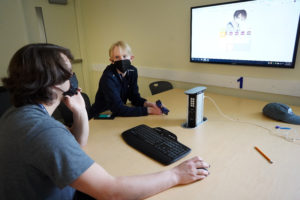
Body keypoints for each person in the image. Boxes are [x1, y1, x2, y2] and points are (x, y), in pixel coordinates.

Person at [0, 43, 210, 199]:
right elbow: (111, 192)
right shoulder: (44, 131)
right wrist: (175, 175)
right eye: (69, 71)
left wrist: (81, 112)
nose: (73, 75)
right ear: (53, 82)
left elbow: (76, 144)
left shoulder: (17, 114)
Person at [89, 41, 162, 118]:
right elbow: (118, 108)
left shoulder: (132, 71)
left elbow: (134, 97)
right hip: (100, 115)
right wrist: (149, 110)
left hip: (116, 113)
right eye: (117, 57)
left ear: (131, 58)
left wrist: (149, 104)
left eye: (124, 56)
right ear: (112, 61)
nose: (121, 60)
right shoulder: (108, 77)